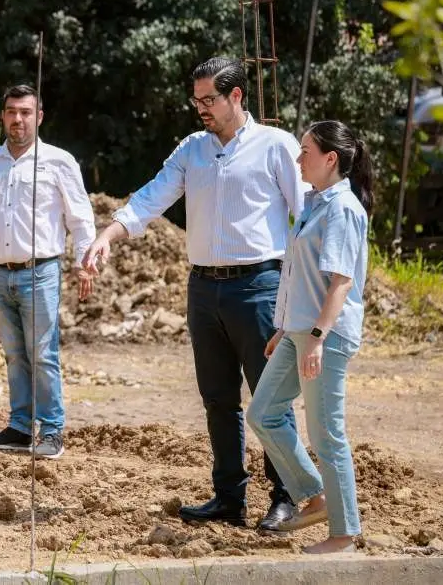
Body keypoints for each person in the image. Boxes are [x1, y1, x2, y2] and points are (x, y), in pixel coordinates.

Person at [83, 57, 309, 531]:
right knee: (217, 398)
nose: (201, 109)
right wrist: (109, 234)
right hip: (203, 288)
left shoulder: (276, 147)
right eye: (197, 100)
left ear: (236, 96)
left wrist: (307, 288)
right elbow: (152, 197)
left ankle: (286, 495)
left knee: (270, 397)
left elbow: (306, 214)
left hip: (260, 285)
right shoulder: (193, 150)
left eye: (209, 100)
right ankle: (229, 496)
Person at [0, 84, 96, 460]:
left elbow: (80, 219)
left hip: (40, 272)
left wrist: (85, 263)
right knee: (15, 354)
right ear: (3, 116)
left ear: (39, 116)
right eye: (12, 111)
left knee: (43, 353)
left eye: (26, 112)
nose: (18, 119)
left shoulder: (59, 161)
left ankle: (51, 430)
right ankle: (19, 426)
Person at [246, 120, 372, 553]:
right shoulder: (316, 204)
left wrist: (316, 336)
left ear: (330, 159)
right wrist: (285, 328)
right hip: (299, 330)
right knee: (262, 413)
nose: (298, 159)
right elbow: (300, 275)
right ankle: (315, 495)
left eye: (305, 152)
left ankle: (344, 534)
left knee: (326, 435)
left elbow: (340, 282)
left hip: (326, 336)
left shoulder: (342, 209)